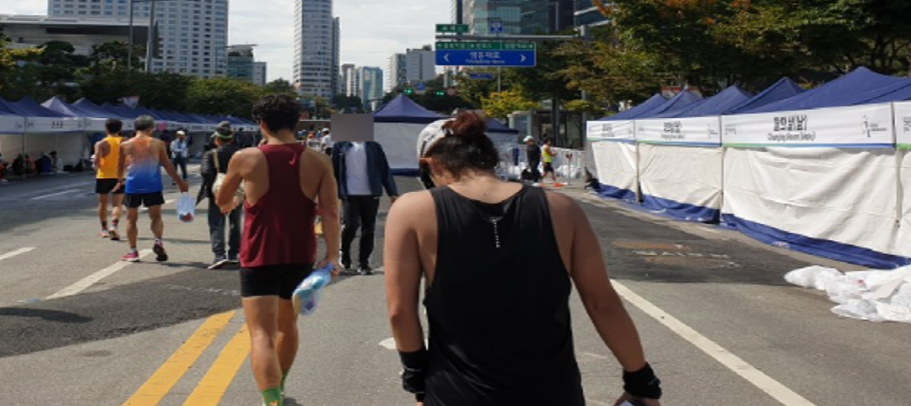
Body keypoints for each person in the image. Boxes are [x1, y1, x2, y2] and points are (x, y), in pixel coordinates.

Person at [384, 112, 663, 406]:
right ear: (489, 156)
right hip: (553, 391)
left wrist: (417, 381)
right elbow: (602, 303)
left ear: (431, 164)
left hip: (455, 392)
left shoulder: (411, 210)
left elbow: (400, 312)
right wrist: (641, 382)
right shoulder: (562, 209)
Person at [216, 95, 341, 406]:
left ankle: (271, 400)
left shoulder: (245, 158)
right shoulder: (319, 160)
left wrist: (235, 199)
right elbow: (330, 212)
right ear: (297, 121)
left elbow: (223, 200)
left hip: (258, 255)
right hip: (300, 254)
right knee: (288, 326)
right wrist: (332, 256)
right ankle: (280, 387)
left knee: (261, 334)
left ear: (261, 123)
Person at [119, 115, 188, 262]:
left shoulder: (125, 145)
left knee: (131, 219)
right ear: (151, 128)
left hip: (132, 186)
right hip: (153, 185)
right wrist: (180, 183)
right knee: (156, 217)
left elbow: (120, 168)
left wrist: (120, 180)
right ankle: (158, 241)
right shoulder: (158, 143)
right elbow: (167, 165)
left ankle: (133, 251)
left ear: (135, 128)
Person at [331, 139, 399, 275]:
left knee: (369, 228)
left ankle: (363, 263)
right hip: (349, 193)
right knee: (351, 225)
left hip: (371, 192)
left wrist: (392, 192)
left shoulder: (374, 147)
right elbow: (333, 170)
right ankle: (344, 253)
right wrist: (331, 191)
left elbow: (384, 170)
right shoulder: (340, 146)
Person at [198, 123, 241, 269]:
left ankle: (219, 255)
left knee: (217, 223)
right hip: (238, 192)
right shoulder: (240, 153)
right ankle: (234, 254)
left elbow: (206, 172)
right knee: (235, 223)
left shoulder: (212, 154)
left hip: (217, 193)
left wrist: (215, 185)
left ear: (217, 139)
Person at [93, 119, 124, 238]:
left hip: (103, 175)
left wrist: (97, 170)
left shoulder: (101, 143)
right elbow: (130, 161)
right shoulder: (125, 142)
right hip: (120, 176)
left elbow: (97, 161)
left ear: (106, 129)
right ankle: (114, 225)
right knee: (117, 204)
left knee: (102, 203)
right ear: (120, 129)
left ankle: (104, 229)